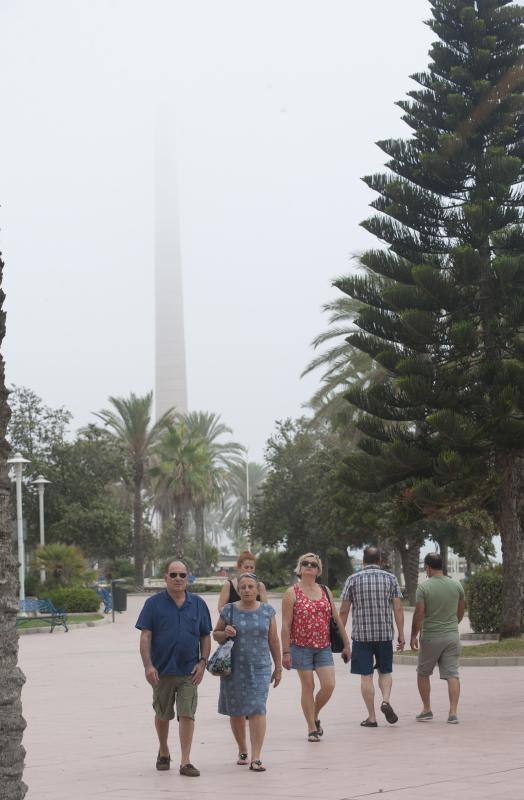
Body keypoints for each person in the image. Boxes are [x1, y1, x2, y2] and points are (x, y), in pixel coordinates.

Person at [136, 559, 212, 778]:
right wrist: (148, 665)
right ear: (165, 578)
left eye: (182, 575)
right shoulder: (153, 604)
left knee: (187, 713)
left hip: (189, 671)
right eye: (173, 575)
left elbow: (205, 635)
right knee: (162, 714)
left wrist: (203, 662)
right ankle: (163, 750)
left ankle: (186, 761)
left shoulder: (198, 604)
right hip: (162, 670)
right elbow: (145, 636)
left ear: (188, 578)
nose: (178, 579)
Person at [213, 572, 282, 772]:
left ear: (258, 589)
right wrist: (224, 633)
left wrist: (278, 668)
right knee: (236, 711)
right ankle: (242, 748)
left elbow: (274, 641)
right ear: (239, 589)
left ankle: (256, 756)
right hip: (234, 667)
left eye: (251, 587)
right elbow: (215, 634)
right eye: (243, 587)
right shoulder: (229, 610)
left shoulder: (268, 611)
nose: (247, 590)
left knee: (258, 709)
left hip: (260, 667)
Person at [281, 552, 350, 742]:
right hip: (300, 647)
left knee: (329, 685)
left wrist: (347, 644)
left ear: (318, 570)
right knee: (308, 686)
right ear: (300, 569)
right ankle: (311, 727)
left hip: (323, 646)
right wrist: (285, 651)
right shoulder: (291, 593)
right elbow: (285, 624)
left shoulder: (325, 590)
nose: (309, 566)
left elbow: (336, 619)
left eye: (313, 564)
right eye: (305, 563)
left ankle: (314, 714)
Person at [339, 546, 405, 728]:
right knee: (385, 671)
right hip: (384, 635)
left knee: (366, 676)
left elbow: (344, 611)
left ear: (364, 560)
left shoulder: (352, 580)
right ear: (381, 561)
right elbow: (398, 608)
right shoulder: (390, 579)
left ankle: (372, 717)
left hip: (361, 636)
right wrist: (400, 634)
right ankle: (385, 700)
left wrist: (340, 638)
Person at [410, 552, 465, 724]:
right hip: (451, 636)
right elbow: (461, 611)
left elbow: (419, 614)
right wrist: (451, 624)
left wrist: (413, 635)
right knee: (452, 674)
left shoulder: (424, 588)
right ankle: (453, 712)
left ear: (428, 567)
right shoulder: (457, 586)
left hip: (431, 637)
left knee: (423, 673)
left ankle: (427, 709)